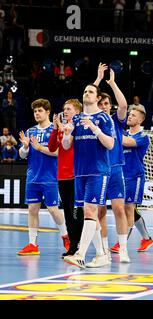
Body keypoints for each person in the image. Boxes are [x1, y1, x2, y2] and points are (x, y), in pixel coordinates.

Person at [61, 83, 115, 269]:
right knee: (88, 214)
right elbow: (67, 146)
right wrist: (67, 135)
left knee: (91, 212)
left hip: (98, 171)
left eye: (91, 91)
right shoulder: (76, 119)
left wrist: (95, 129)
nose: (87, 93)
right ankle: (101, 254)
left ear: (98, 98)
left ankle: (80, 254)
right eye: (85, 91)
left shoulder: (104, 118)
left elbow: (110, 145)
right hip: (80, 172)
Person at [17, 99, 69, 255]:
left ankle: (66, 236)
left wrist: (40, 148)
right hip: (33, 177)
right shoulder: (30, 131)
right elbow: (22, 155)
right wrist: (25, 147)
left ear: (47, 112)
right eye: (35, 111)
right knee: (32, 209)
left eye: (40, 111)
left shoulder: (55, 130)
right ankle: (32, 244)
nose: (37, 114)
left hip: (50, 177)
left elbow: (60, 153)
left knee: (53, 210)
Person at [91, 64, 131, 267]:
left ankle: (123, 249)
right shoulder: (93, 120)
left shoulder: (116, 120)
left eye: (107, 103)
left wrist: (113, 84)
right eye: (102, 102)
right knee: (99, 212)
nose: (106, 105)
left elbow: (123, 105)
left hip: (115, 170)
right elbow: (86, 98)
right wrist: (96, 81)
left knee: (119, 209)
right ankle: (103, 250)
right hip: (98, 171)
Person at [47, 99, 84, 257]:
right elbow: (51, 147)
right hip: (62, 176)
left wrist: (65, 130)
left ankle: (78, 244)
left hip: (76, 175)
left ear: (77, 111)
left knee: (77, 212)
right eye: (64, 109)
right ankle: (73, 246)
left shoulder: (80, 128)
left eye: (69, 108)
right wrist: (56, 129)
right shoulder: (62, 129)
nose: (65, 111)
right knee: (68, 213)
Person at [121, 105, 153, 252]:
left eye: (133, 115)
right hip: (122, 176)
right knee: (128, 209)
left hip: (135, 176)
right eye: (129, 114)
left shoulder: (142, 137)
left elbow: (128, 143)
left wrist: (111, 129)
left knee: (128, 208)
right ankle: (147, 239)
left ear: (141, 119)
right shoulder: (124, 133)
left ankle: (122, 244)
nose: (129, 116)